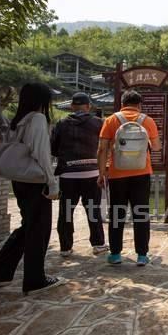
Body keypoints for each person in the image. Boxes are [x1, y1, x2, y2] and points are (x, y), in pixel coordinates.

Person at [0, 83, 66, 296]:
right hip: (36, 182)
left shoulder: (18, 120)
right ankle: (35, 279)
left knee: (28, 227)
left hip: (20, 180)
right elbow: (42, 155)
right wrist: (52, 183)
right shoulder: (37, 119)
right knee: (39, 230)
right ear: (41, 100)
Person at [97, 90, 160, 266]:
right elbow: (156, 147)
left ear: (122, 104)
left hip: (117, 174)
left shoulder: (111, 120)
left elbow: (101, 149)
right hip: (141, 173)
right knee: (141, 213)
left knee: (117, 213)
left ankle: (115, 254)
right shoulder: (147, 121)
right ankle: (141, 255)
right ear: (139, 105)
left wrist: (102, 172)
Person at [51, 92, 107, 258]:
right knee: (93, 210)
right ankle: (98, 244)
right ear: (88, 106)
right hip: (92, 174)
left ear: (72, 106)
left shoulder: (61, 124)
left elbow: (53, 148)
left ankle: (65, 247)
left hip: (68, 175)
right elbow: (105, 147)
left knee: (66, 211)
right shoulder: (98, 123)